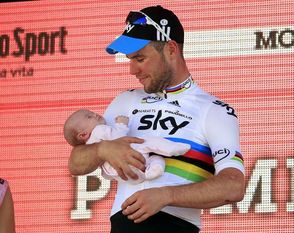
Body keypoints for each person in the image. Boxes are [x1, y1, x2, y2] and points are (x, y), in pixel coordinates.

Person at [68, 5, 245, 233]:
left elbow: (233, 185)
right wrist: (103, 150)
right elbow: (75, 163)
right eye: (130, 59)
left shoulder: (214, 110)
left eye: (140, 58)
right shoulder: (124, 101)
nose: (132, 70)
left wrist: (166, 195)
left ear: (171, 49)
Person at [64, 109, 190, 184]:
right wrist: (122, 124)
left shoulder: (89, 148)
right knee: (148, 142)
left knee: (151, 160)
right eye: (89, 116)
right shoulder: (99, 131)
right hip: (131, 154)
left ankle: (150, 172)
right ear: (83, 135)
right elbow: (118, 137)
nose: (95, 114)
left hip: (122, 175)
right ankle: (171, 148)